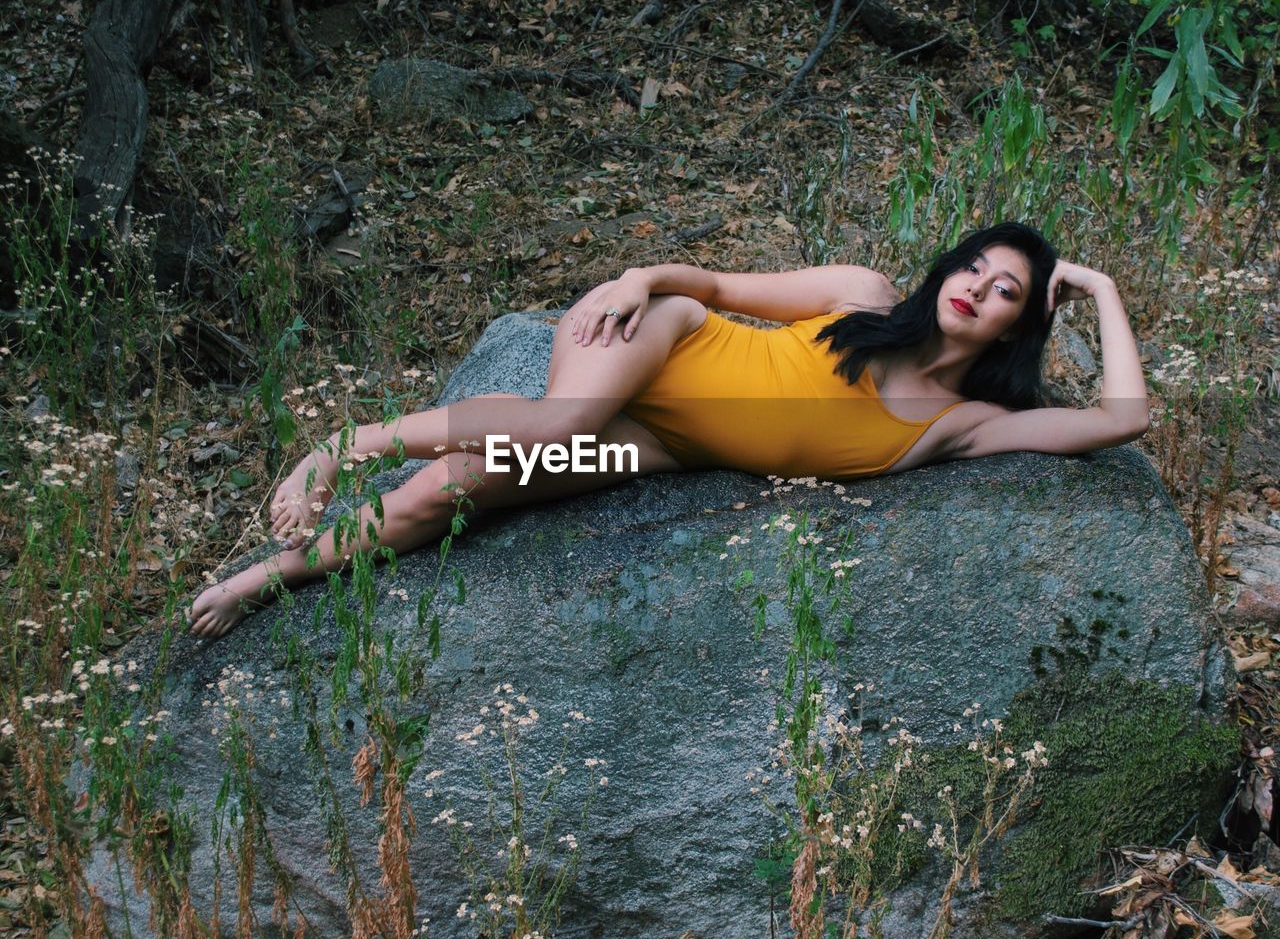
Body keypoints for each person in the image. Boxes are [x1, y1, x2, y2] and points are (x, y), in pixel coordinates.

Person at [187, 222, 1149, 638]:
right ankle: (344, 445)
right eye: (971, 269)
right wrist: (646, 280)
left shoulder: (963, 426)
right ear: (946, 271)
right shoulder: (862, 295)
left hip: (662, 445)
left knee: (457, 491)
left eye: (1004, 292)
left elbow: (1121, 418)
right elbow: (722, 290)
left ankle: (269, 577)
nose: (974, 289)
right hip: (656, 343)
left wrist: (1101, 291)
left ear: (1017, 325)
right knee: (549, 423)